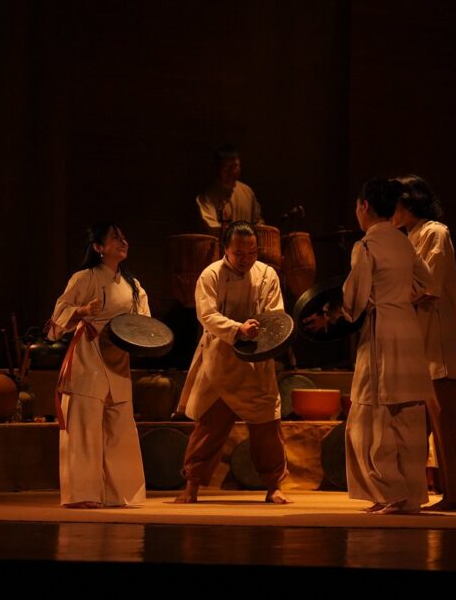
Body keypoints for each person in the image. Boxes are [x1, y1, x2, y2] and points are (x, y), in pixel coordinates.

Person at [305, 179, 434, 514]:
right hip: (406, 326)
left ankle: (388, 492)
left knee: (372, 414)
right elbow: (426, 282)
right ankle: (410, 495)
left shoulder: (367, 245)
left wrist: (330, 317)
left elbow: (354, 298)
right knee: (407, 412)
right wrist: (401, 299)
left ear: (364, 206)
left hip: (383, 331)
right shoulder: (404, 243)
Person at [175, 221, 291, 504]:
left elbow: (275, 314)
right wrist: (236, 329)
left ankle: (274, 485)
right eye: (239, 253)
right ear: (225, 248)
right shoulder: (210, 275)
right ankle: (191, 485)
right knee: (209, 428)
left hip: (256, 362)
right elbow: (207, 314)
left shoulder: (267, 274)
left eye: (252, 252)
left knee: (267, 427)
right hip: (220, 359)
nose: (246, 259)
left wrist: (258, 330)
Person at [47, 222, 149, 508]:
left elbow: (145, 323)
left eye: (124, 237)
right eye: (115, 238)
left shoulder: (134, 286)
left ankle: (122, 494)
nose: (122, 241)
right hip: (89, 355)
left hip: (118, 357)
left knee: (121, 428)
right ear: (98, 247)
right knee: (84, 428)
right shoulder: (84, 278)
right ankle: (82, 494)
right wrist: (81, 311)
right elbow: (56, 320)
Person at [391, 175, 456, 510]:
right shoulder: (407, 237)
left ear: (410, 203)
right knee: (413, 419)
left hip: (435, 334)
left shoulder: (435, 232)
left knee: (446, 417)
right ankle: (406, 491)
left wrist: (390, 297)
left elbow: (428, 285)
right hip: (413, 336)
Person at [196, 144, 263, 235]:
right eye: (227, 168)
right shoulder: (208, 197)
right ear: (218, 168)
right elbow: (212, 229)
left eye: (235, 166)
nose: (232, 172)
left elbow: (258, 223)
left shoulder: (247, 192)